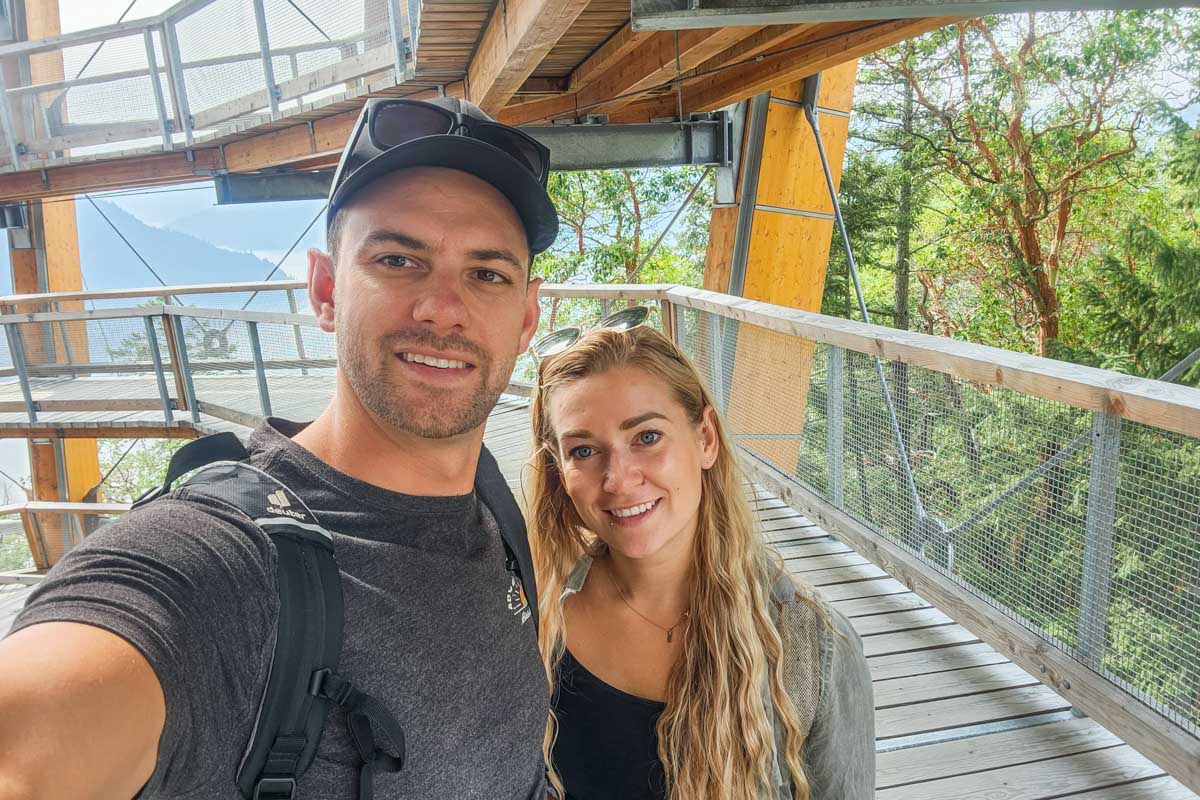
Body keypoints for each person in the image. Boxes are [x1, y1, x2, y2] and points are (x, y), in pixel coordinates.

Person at [0, 97, 558, 800]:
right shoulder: (222, 565)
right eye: (397, 259)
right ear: (325, 291)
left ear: (527, 317)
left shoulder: (491, 499)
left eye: (488, 274)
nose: (443, 307)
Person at [527, 319, 875, 800]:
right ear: (559, 471)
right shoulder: (536, 623)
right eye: (583, 450)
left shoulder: (809, 646)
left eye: (647, 437)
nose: (618, 479)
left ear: (706, 437)